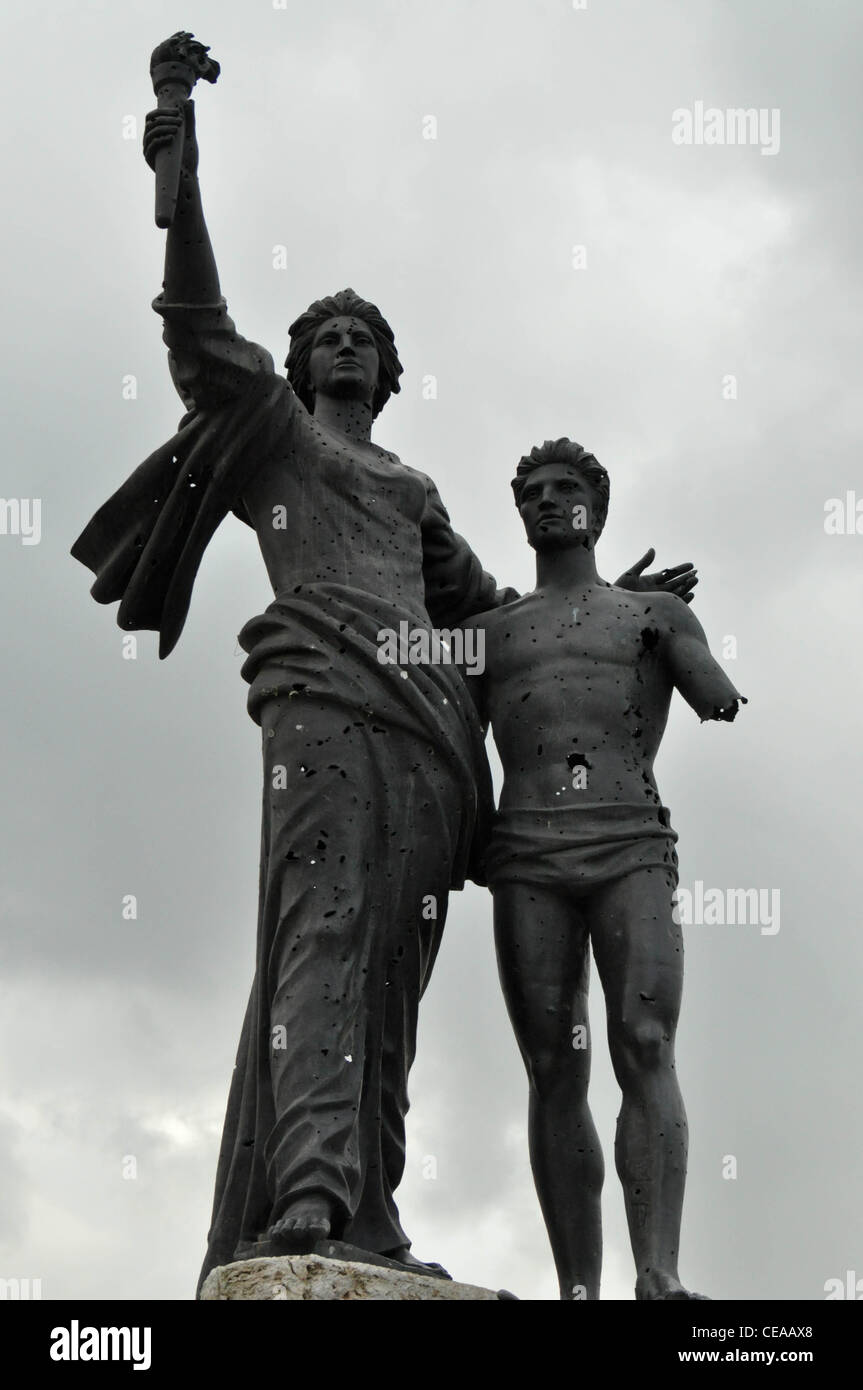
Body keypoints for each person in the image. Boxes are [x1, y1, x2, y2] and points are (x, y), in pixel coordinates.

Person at [72, 96, 697, 1292]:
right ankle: (305, 1182)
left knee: (394, 977)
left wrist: (610, 604)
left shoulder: (411, 490)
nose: (347, 344)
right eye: (328, 333)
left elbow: (498, 621)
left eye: (365, 334)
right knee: (325, 936)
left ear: (390, 370)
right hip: (320, 710)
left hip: (431, 744)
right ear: (298, 364)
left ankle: (367, 1205)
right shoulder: (270, 436)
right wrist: (179, 165)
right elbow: (196, 325)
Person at [473, 438, 745, 1300]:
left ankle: (657, 1271)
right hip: (525, 850)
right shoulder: (486, 634)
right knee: (554, 1067)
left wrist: (663, 628)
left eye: (565, 489)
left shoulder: (652, 616)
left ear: (596, 504)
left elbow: (715, 693)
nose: (547, 503)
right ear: (519, 516)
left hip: (629, 837)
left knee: (646, 1042)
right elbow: (413, 696)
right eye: (532, 494)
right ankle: (577, 1289)